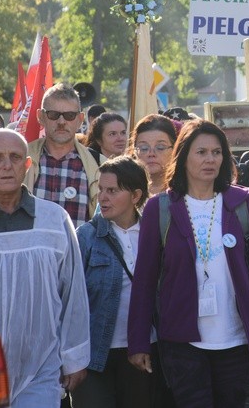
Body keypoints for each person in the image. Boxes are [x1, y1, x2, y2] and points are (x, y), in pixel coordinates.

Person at [127, 118, 249, 407]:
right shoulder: (160, 208)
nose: (210, 159)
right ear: (183, 156)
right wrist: (138, 342)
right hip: (181, 342)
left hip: (235, 341)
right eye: (201, 152)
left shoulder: (241, 203)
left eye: (217, 152)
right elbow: (145, 280)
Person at [0, 128, 90, 406]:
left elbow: (73, 291)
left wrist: (74, 357)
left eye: (14, 157)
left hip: (41, 366)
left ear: (27, 165)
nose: (6, 165)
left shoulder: (54, 219)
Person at [72, 155, 165, 408]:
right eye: (100, 189)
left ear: (136, 196)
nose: (102, 197)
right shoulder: (87, 236)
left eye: (112, 190)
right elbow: (70, 299)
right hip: (94, 355)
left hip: (145, 349)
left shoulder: (156, 233)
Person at [24, 83, 104, 229]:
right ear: (40, 117)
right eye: (53, 115)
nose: (61, 122)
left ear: (80, 119)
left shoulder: (100, 165)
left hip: (79, 251)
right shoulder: (20, 160)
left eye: (69, 115)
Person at [129, 114, 177, 196]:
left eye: (160, 148)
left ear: (174, 149)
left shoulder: (187, 191)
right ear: (134, 151)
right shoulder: (124, 190)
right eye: (144, 148)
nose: (151, 154)